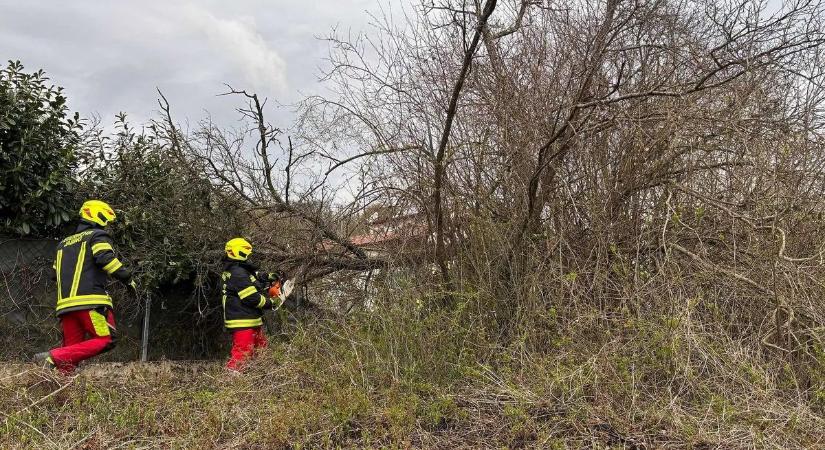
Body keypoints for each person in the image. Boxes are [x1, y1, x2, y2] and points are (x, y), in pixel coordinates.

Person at [34, 200, 136, 374]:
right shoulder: (97, 236)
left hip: (66, 308)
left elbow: (54, 275)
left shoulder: (63, 244)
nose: (107, 225)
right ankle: (52, 357)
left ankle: (63, 395)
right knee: (106, 339)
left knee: (70, 355)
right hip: (91, 304)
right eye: (106, 219)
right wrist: (128, 279)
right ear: (97, 215)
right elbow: (105, 259)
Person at [221, 237, 293, 372]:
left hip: (250, 319)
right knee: (242, 353)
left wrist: (269, 276)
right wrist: (272, 303)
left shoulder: (238, 267)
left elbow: (254, 275)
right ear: (239, 252)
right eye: (247, 252)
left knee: (262, 350)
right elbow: (252, 298)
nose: (249, 255)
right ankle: (231, 382)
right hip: (242, 321)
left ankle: (261, 378)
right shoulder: (237, 274)